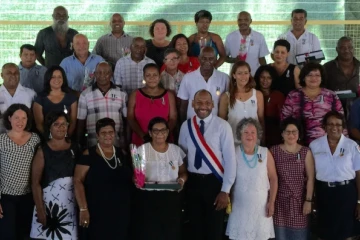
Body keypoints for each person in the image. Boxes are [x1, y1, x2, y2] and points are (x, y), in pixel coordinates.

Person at [178, 89, 236, 240]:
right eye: (199, 102)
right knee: (195, 228)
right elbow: (181, 157)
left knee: (214, 230)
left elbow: (230, 160)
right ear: (192, 104)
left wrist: (225, 190)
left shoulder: (223, 126)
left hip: (215, 183)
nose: (203, 106)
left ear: (213, 105)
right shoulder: (186, 126)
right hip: (193, 182)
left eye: (207, 103)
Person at [74, 118, 133, 240]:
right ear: (97, 135)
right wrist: (83, 208)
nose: (108, 136)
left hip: (120, 212)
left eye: (110, 132)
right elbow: (77, 181)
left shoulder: (122, 153)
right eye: (103, 133)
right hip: (97, 212)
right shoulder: (88, 154)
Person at [133, 117, 187, 240]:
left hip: (171, 199)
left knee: (171, 232)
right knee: (150, 232)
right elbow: (136, 174)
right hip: (149, 199)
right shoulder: (140, 151)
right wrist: (136, 180)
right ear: (150, 133)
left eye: (163, 130)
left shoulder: (176, 150)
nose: (160, 134)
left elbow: (183, 172)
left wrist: (181, 180)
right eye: (156, 131)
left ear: (168, 132)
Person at [309, 111, 360, 240]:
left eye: (338, 124)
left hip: (347, 194)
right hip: (324, 193)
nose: (334, 127)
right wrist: (312, 198)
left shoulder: (352, 145)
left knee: (347, 234)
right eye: (330, 124)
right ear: (324, 126)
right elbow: (311, 175)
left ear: (343, 127)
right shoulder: (314, 146)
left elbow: (359, 174)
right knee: (325, 233)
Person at [226, 117, 277, 240]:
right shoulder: (234, 152)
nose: (250, 135)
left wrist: (272, 202)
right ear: (240, 134)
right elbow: (228, 178)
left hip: (261, 208)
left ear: (257, 134)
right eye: (246, 132)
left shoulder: (265, 152)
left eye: (253, 132)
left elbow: (274, 178)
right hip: (239, 207)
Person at [30, 111, 79, 239]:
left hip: (72, 205)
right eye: (56, 124)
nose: (61, 127)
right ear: (49, 127)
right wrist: (40, 210)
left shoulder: (76, 147)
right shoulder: (43, 149)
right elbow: (35, 183)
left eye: (64, 124)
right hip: (48, 206)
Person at [0, 104, 41, 239]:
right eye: (16, 118)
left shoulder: (35, 139)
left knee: (25, 234)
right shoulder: (1, 140)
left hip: (28, 196)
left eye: (24, 118)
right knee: (7, 234)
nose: (20, 121)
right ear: (9, 118)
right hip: (6, 197)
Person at [270, 117, 315, 240]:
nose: (291, 135)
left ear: (299, 134)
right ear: (282, 134)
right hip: (279, 204)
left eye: (294, 131)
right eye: (287, 132)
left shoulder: (306, 152)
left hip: (299, 204)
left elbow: (311, 178)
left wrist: (308, 200)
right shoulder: (273, 151)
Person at [281, 62, 345, 145]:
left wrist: (344, 143)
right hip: (299, 144)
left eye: (317, 75)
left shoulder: (331, 96)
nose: (313, 78)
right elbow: (284, 121)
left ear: (322, 78)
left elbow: (341, 121)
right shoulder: (293, 96)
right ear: (303, 78)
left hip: (328, 144)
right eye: (309, 75)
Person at [77, 62, 127, 149]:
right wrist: (79, 143)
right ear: (95, 74)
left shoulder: (122, 93)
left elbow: (126, 120)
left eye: (106, 72)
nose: (102, 75)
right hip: (94, 144)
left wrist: (126, 141)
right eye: (99, 72)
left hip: (117, 143)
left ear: (111, 74)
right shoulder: (85, 95)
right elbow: (81, 122)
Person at [127, 63, 177, 146]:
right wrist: (143, 136)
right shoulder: (135, 94)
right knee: (139, 159)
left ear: (159, 76)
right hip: (140, 141)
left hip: (163, 141)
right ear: (144, 77)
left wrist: (161, 135)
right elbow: (130, 118)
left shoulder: (169, 95)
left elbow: (173, 119)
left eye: (155, 75)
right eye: (148, 75)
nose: (152, 78)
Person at [178, 47, 229, 122]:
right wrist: (183, 124)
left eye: (211, 59)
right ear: (198, 59)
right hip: (192, 124)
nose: (207, 62)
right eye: (204, 58)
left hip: (216, 124)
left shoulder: (224, 78)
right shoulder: (188, 78)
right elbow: (183, 106)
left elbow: (227, 104)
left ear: (215, 60)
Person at [218, 61, 264, 143]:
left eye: (246, 73)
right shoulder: (226, 97)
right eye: (239, 73)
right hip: (233, 142)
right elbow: (222, 122)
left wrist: (263, 139)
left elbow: (261, 119)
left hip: (253, 142)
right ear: (234, 75)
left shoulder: (257, 94)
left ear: (249, 74)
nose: (243, 76)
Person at [33, 65, 77, 137]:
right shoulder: (40, 98)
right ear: (48, 78)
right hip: (46, 139)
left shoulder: (71, 98)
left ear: (63, 79)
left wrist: (65, 138)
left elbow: (73, 122)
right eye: (53, 77)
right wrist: (51, 139)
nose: (57, 79)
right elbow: (39, 125)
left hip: (66, 139)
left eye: (59, 77)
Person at [324, 36, 360, 119]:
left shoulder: (359, 67)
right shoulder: (327, 68)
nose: (346, 50)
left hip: (357, 111)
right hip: (333, 110)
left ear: (354, 49)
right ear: (337, 49)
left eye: (350, 47)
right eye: (343, 47)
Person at [225, 11, 269, 76]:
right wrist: (234, 60)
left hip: (254, 76)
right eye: (240, 20)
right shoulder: (230, 37)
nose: (242, 22)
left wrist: (266, 73)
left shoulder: (259, 37)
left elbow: (262, 59)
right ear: (237, 21)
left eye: (246, 20)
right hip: (236, 77)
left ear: (250, 21)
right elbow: (224, 57)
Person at [0, 63, 36, 133]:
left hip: (24, 137)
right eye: (9, 73)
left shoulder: (30, 94)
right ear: (2, 75)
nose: (13, 76)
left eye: (16, 73)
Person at [254, 65, 285, 147]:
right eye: (262, 77)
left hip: (274, 135)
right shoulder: (252, 94)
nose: (265, 80)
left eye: (269, 78)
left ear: (273, 79)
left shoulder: (278, 96)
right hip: (254, 133)